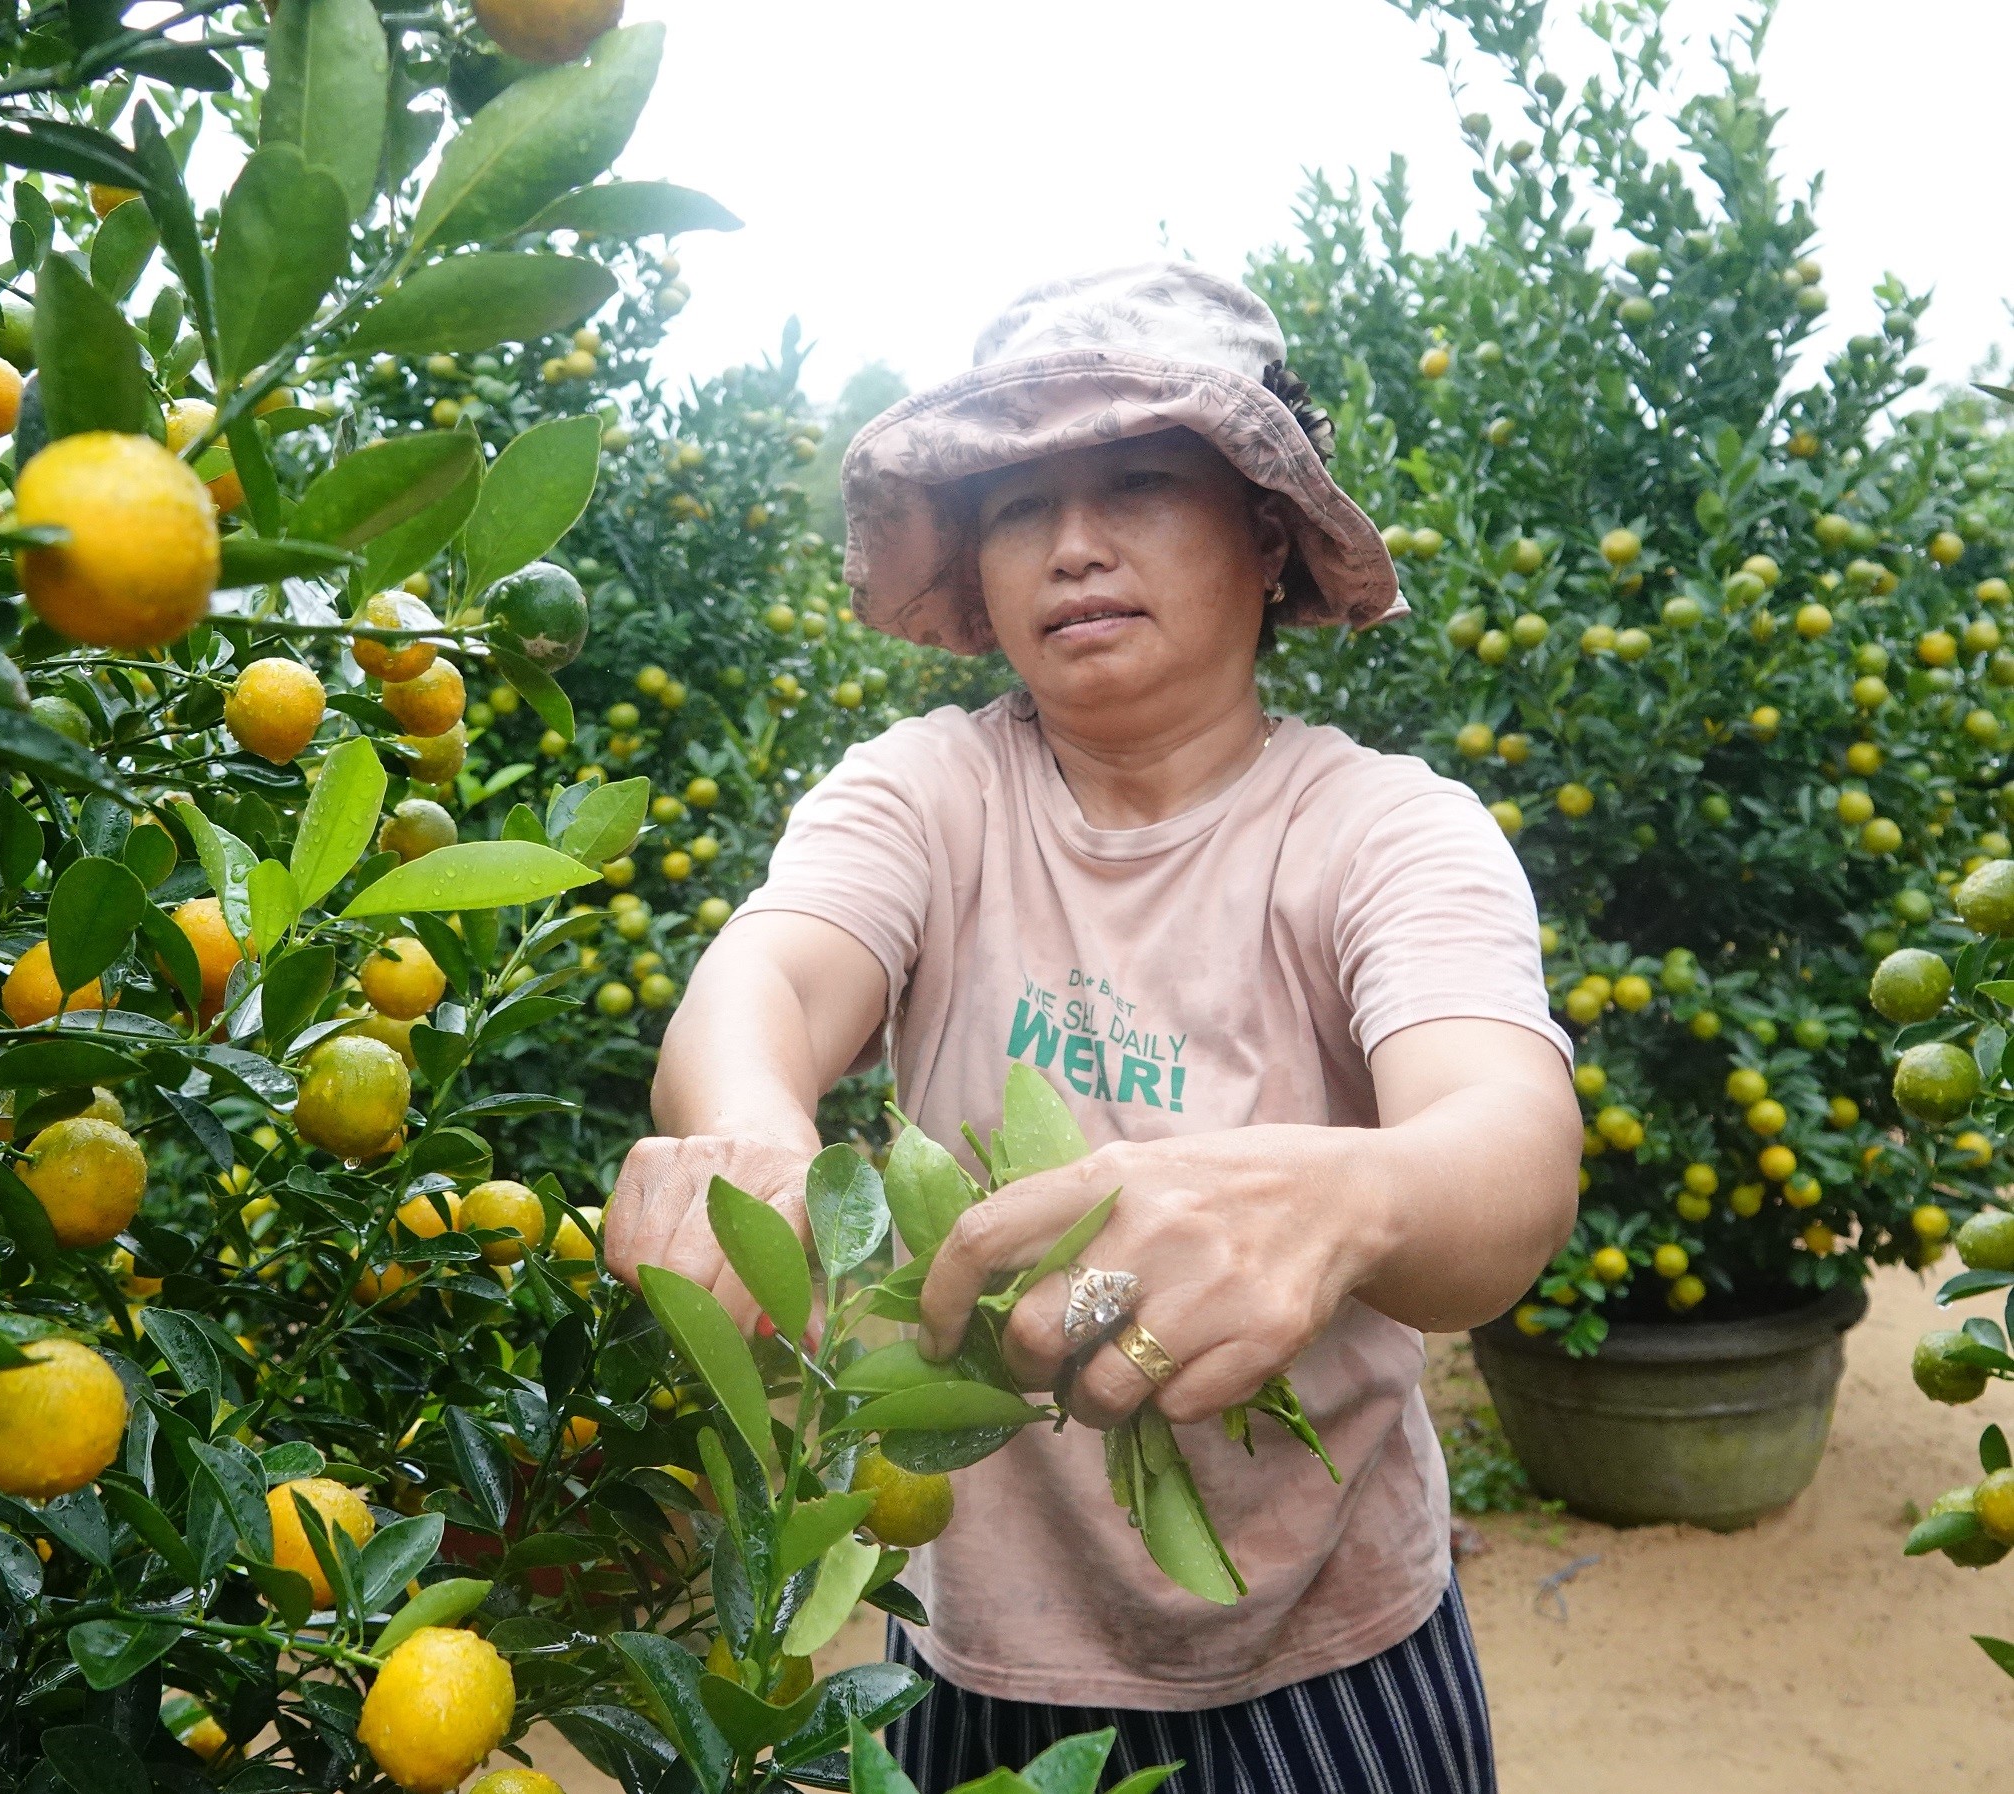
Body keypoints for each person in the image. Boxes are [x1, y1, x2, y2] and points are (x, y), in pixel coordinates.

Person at [602, 264, 1580, 1794]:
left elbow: (1506, 1153)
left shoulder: (1379, 830)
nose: (1071, 545)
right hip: (964, 1639)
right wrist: (749, 1130)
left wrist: (1341, 1194)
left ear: (1264, 529)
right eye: (1017, 504)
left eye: (1136, 479)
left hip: (1327, 1650)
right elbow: (771, 981)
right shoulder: (935, 792)